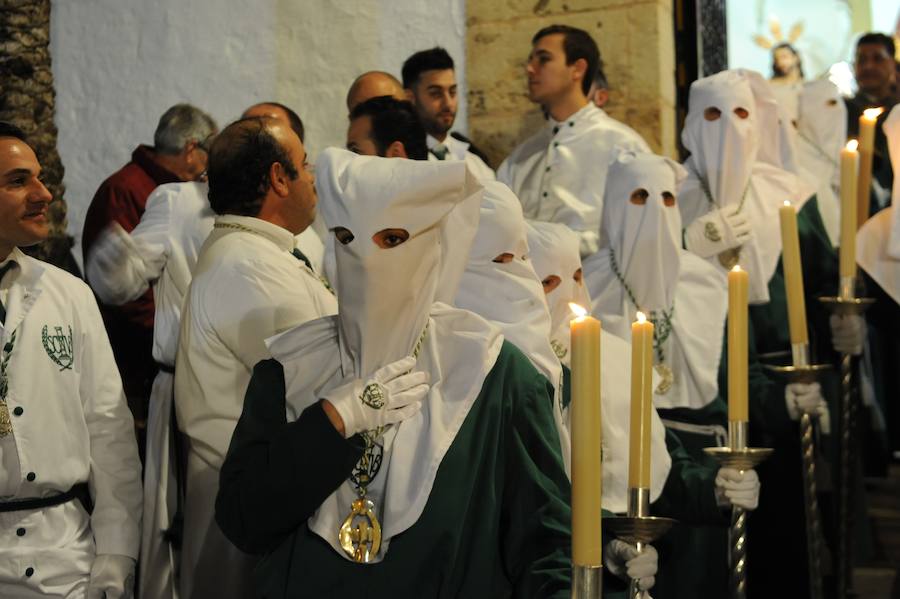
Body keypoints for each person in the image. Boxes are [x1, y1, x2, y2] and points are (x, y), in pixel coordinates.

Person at [216, 147, 573, 596]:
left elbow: (545, 546)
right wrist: (332, 420)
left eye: (391, 239)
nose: (365, 260)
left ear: (431, 245)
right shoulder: (290, 367)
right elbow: (243, 522)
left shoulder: (493, 374)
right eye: (346, 237)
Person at [84, 101, 320, 599]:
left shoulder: (302, 228)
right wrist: (113, 256)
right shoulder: (177, 203)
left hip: (262, 409)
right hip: (190, 380)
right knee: (190, 528)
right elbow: (122, 281)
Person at [584, 150, 761, 598]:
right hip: (619, 458)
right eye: (639, 197)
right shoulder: (586, 284)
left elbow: (744, 373)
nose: (655, 212)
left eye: (666, 199)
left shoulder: (708, 284)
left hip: (699, 466)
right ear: (613, 205)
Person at [174, 116, 336, 598]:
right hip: (251, 507)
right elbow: (316, 386)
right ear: (278, 178)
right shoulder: (249, 267)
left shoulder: (258, 254)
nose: (312, 178)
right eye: (304, 165)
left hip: (264, 491)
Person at [0, 121, 142, 597]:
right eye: (18, 181)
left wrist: (116, 552)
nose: (44, 193)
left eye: (39, 177)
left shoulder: (68, 294)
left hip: (66, 558)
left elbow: (108, 428)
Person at [82, 103, 217, 452]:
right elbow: (124, 283)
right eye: (208, 152)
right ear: (191, 148)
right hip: (139, 362)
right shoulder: (128, 189)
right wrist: (178, 333)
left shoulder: (169, 190)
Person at [497, 24, 650, 257]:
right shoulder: (519, 159)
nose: (530, 69)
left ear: (577, 69)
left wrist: (555, 245)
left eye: (543, 60)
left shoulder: (624, 146)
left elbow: (643, 232)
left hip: (599, 289)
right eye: (530, 61)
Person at [401, 47, 495, 179]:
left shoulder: (476, 164)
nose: (448, 103)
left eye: (452, 92)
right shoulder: (401, 159)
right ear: (410, 98)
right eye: (435, 94)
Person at [846, 33, 898, 212]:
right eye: (862, 59)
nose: (869, 66)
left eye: (878, 59)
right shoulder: (842, 113)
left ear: (892, 63)